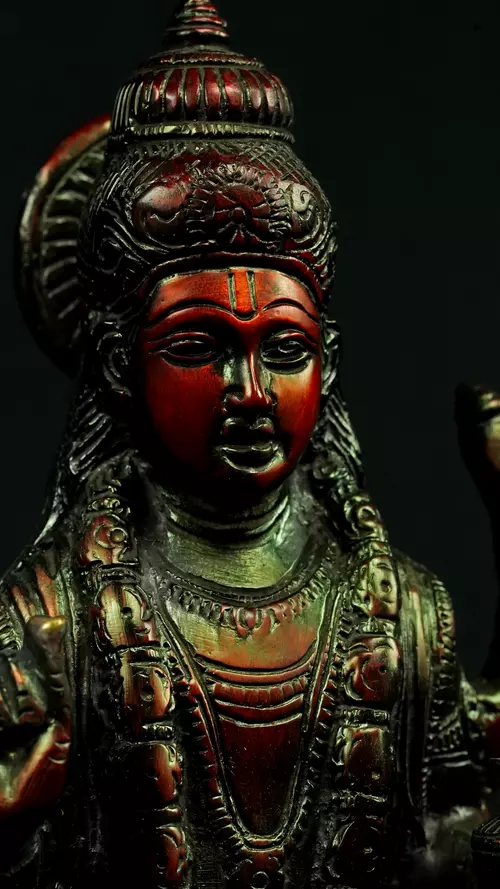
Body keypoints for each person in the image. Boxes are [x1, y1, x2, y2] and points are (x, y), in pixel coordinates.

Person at [2, 1, 500, 886]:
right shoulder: (51, 624)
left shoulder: (407, 615)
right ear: (120, 363)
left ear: (328, 361)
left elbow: (451, 834)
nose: (250, 391)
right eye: (199, 347)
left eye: (285, 348)